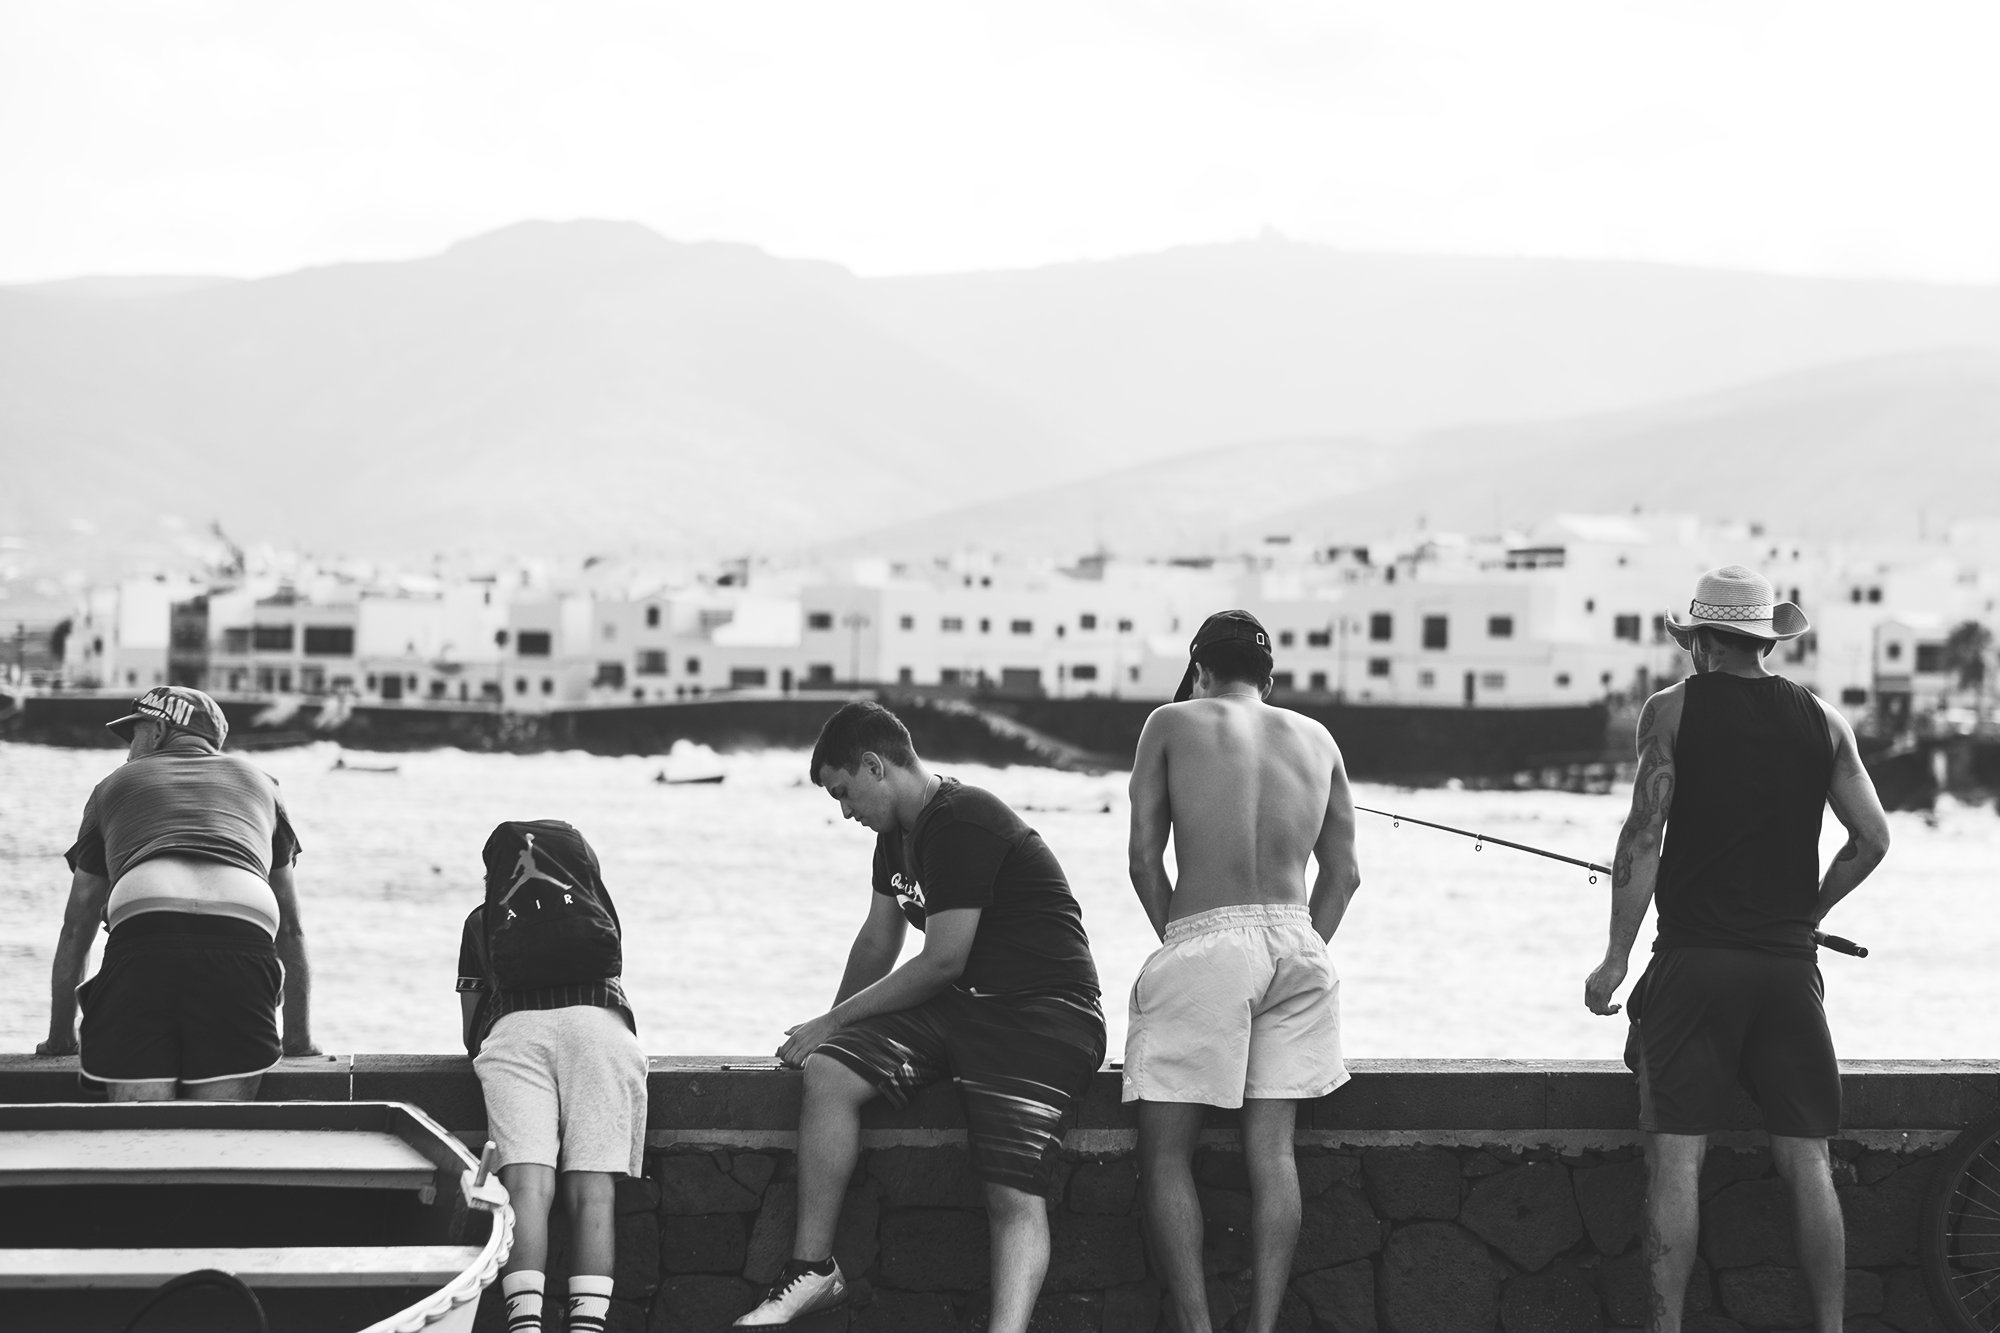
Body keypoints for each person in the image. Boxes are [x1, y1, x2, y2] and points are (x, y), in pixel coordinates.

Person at [1584, 566, 1891, 1333]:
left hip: (1695, 965)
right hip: (1789, 971)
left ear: (1701, 641)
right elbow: (1872, 839)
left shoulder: (1671, 710)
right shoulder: (1826, 721)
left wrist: (1616, 959)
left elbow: (1642, 837)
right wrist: (1809, 912)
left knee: (1676, 1158)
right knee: (1808, 1159)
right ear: (1765, 640)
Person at [735, 702, 1106, 1330]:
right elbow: (879, 941)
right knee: (830, 1072)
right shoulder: (893, 838)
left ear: (874, 766)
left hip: (1045, 1010)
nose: (844, 812)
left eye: (843, 792)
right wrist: (828, 1029)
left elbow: (942, 960)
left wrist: (833, 1021)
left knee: (1010, 1190)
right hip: (964, 1005)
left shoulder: (959, 819)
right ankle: (813, 1270)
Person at [1125, 610, 1361, 1333]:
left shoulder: (1169, 722)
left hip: (1207, 940)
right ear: (1269, 678)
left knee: (1166, 1154)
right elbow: (1345, 876)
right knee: (1273, 1151)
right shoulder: (1319, 739)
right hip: (1299, 946)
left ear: (1200, 671)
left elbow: (1143, 860)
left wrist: (1188, 942)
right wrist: (1294, 945)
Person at [39, 685, 316, 1098]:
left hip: (146, 919)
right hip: (244, 922)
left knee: (141, 1121)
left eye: (133, 735)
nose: (128, 752)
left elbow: (77, 927)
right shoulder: (262, 783)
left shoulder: (113, 785)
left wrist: (60, 1037)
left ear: (157, 731)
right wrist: (298, 1040)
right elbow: (290, 930)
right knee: (220, 1122)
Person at [459, 820, 647, 1333]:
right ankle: (587, 1326)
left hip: (517, 1033)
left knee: (526, 1186)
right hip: (601, 1030)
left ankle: (525, 1325)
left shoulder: (482, 921)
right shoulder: (590, 904)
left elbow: (471, 1028)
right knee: (593, 1192)